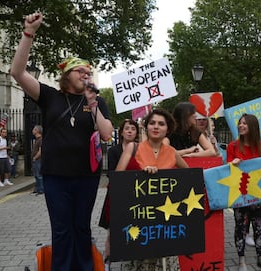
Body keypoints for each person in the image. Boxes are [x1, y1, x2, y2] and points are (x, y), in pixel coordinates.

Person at [10, 12, 113, 270]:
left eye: (89, 72)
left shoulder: (97, 100)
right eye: (81, 71)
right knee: (62, 228)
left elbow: (107, 133)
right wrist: (28, 33)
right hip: (56, 175)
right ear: (67, 74)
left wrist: (93, 104)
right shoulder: (50, 96)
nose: (86, 74)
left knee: (81, 226)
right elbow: (17, 72)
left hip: (87, 176)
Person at [115, 108, 188, 271]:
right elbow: (118, 179)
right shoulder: (133, 148)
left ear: (168, 129)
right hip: (139, 220)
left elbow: (189, 179)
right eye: (152, 123)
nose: (156, 126)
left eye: (161, 124)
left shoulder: (172, 153)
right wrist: (141, 175)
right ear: (146, 127)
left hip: (165, 223)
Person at [226, 113, 261, 271]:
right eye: (240, 123)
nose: (241, 125)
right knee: (240, 227)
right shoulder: (232, 146)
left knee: (259, 227)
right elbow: (228, 171)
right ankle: (241, 261)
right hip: (240, 194)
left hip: (258, 194)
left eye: (245, 123)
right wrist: (232, 164)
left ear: (252, 126)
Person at [98, 119, 139, 270]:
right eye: (127, 128)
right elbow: (111, 173)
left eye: (133, 129)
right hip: (117, 193)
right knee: (112, 230)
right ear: (121, 132)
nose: (129, 131)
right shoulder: (113, 151)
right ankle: (107, 261)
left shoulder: (140, 149)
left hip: (135, 194)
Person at [31, 125, 43, 195]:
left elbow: (40, 151)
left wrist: (35, 158)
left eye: (34, 129)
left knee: (39, 175)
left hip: (38, 160)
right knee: (36, 175)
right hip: (36, 160)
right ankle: (37, 189)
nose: (32, 130)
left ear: (37, 131)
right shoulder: (37, 139)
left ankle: (41, 190)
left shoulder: (41, 139)